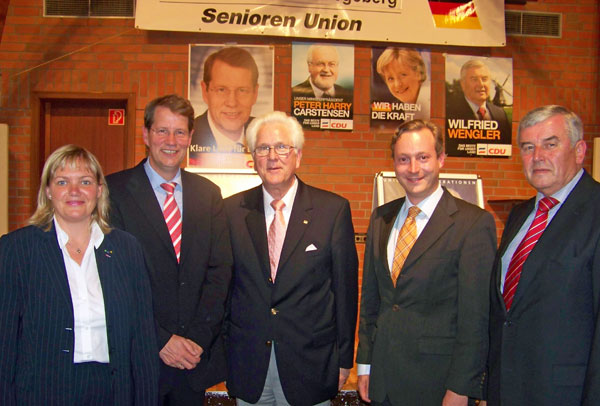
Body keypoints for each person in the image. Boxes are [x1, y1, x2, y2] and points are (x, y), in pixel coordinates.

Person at [0, 144, 159, 405]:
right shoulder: (17, 250)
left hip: (112, 391)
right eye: (63, 181)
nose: (74, 191)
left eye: (85, 181)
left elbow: (142, 342)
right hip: (41, 392)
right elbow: (4, 344)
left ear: (99, 190)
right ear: (49, 191)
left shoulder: (127, 249)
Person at [356, 120, 497, 406]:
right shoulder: (381, 218)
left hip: (439, 384)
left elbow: (476, 316)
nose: (414, 168)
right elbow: (372, 300)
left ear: (441, 159)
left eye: (423, 157)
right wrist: (366, 364)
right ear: (394, 164)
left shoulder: (473, 223)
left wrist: (462, 387)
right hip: (383, 380)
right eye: (404, 159)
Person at [223, 111, 358, 406]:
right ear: (253, 157)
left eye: (282, 147)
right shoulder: (230, 212)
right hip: (249, 365)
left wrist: (344, 359)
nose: (273, 156)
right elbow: (224, 289)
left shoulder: (332, 210)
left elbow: (345, 293)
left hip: (311, 365)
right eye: (263, 148)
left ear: (297, 155)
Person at [106, 94, 232, 405]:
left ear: (190, 136)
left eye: (179, 132)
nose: (171, 141)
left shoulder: (209, 194)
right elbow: (112, 280)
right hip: (139, 358)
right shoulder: (113, 192)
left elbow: (220, 272)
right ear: (146, 135)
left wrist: (198, 340)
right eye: (162, 131)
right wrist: (160, 339)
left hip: (193, 361)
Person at [488, 105, 600, 406]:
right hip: (506, 390)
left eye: (550, 144)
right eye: (528, 147)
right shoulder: (520, 216)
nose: (537, 156)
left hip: (565, 394)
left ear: (579, 151)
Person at [190, 47, 259, 156]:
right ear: (205, 91)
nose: (232, 103)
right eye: (221, 90)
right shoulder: (187, 138)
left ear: (255, 94)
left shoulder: (264, 135)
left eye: (242, 90)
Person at [446, 59, 511, 136]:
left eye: (484, 79)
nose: (481, 84)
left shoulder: (501, 114)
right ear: (463, 84)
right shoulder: (450, 113)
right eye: (474, 79)